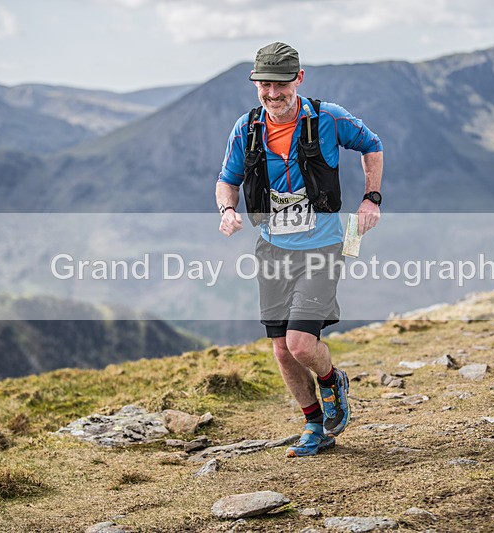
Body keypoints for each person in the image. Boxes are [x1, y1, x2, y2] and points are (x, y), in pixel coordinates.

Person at [216, 42, 383, 457]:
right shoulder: (246, 128)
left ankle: (332, 383)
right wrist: (227, 209)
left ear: (299, 79)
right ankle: (314, 425)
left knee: (302, 345)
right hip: (272, 247)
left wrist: (371, 198)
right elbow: (227, 179)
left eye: (281, 84)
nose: (273, 94)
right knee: (280, 349)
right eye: (264, 85)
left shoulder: (329, 117)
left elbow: (373, 145)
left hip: (324, 244)